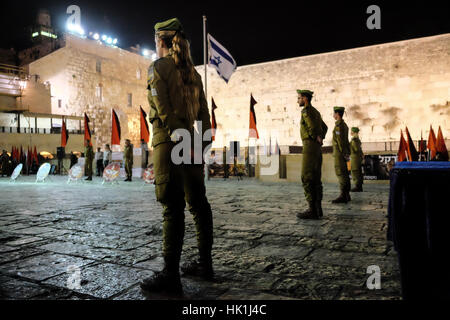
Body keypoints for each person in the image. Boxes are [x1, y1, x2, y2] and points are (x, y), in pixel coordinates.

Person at [140, 18, 213, 296]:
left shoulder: (158, 68)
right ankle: (205, 264)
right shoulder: (193, 74)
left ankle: (171, 275)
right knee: (198, 204)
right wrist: (200, 145)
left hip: (170, 142)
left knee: (172, 207)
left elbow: (163, 108)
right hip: (192, 144)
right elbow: (205, 116)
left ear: (161, 41)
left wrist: (179, 136)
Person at [296, 90, 328, 219]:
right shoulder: (316, 112)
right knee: (316, 177)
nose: (297, 100)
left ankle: (312, 209)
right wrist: (321, 137)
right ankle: (318, 208)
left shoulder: (306, 111)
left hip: (309, 145)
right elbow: (325, 127)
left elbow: (311, 126)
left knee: (307, 176)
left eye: (299, 98)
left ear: (305, 98)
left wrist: (316, 136)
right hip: (316, 147)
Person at [331, 106, 351, 203]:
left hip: (339, 153)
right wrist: (346, 153)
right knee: (345, 173)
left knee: (340, 173)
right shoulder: (345, 125)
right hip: (343, 152)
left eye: (334, 113)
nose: (333, 115)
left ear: (337, 114)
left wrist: (343, 153)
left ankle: (343, 195)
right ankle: (347, 194)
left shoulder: (338, 126)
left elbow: (340, 141)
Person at [350, 127, 364, 192]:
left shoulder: (354, 140)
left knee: (355, 172)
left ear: (354, 132)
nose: (350, 132)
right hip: (356, 157)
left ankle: (357, 186)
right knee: (358, 171)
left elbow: (356, 149)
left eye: (351, 131)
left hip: (355, 157)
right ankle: (359, 186)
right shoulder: (356, 139)